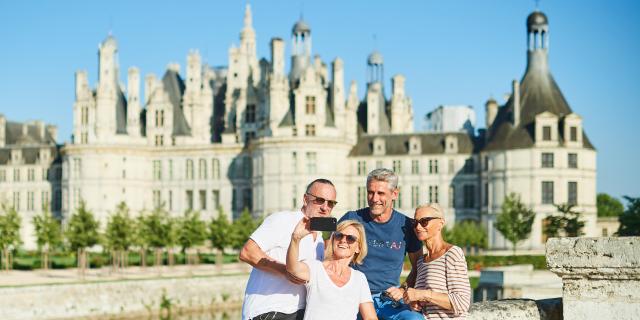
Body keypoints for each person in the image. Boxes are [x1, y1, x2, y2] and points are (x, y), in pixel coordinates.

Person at [239, 179, 338, 320]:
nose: (325, 207)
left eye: (331, 203)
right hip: (270, 309)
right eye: (319, 200)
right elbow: (247, 252)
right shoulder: (283, 220)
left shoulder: (320, 240)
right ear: (305, 199)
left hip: (301, 312)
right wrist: (285, 271)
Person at [339, 168, 423, 319]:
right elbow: (330, 254)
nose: (374, 198)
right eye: (370, 192)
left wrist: (404, 288)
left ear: (394, 194)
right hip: (354, 297)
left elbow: (418, 266)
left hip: (389, 300)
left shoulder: (407, 225)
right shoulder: (351, 219)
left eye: (381, 193)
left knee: (415, 319)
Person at [286, 219, 378, 320]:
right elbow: (293, 268)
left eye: (350, 238)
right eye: (339, 235)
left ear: (358, 248)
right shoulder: (316, 268)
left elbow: (370, 317)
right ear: (333, 239)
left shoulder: (359, 278)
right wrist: (295, 238)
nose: (343, 240)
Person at [403, 203, 471, 319]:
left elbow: (462, 303)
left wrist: (422, 294)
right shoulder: (421, 261)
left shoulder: (452, 254)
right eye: (415, 223)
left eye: (424, 221)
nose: (418, 227)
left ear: (440, 223)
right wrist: (415, 303)